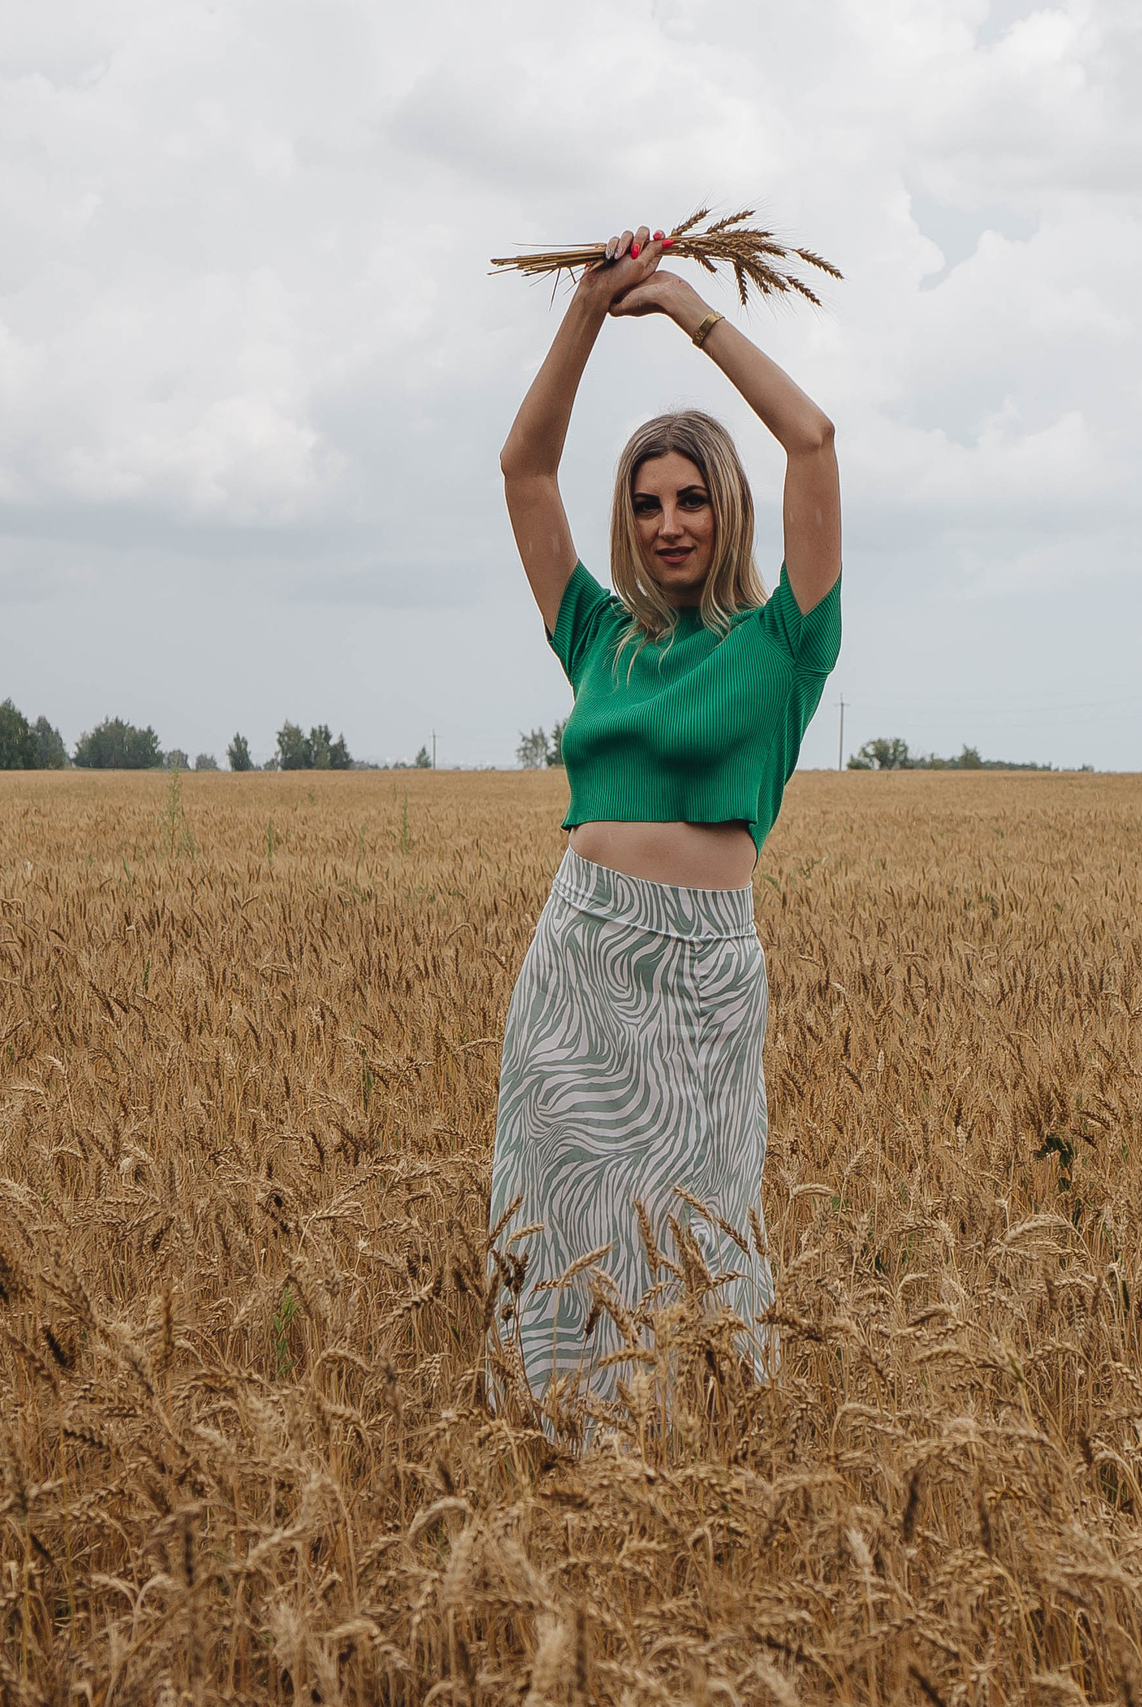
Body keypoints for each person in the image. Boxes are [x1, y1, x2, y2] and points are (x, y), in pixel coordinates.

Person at [489, 225, 842, 1408]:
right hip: (575, 961)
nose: (670, 523)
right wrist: (587, 313)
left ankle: (700, 1477)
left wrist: (688, 310)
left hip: (702, 978)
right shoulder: (598, 637)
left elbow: (813, 438)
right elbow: (523, 471)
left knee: (699, 1234)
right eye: (646, 504)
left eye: (692, 498)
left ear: (725, 507)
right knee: (562, 1234)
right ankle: (555, 1455)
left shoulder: (784, 644)